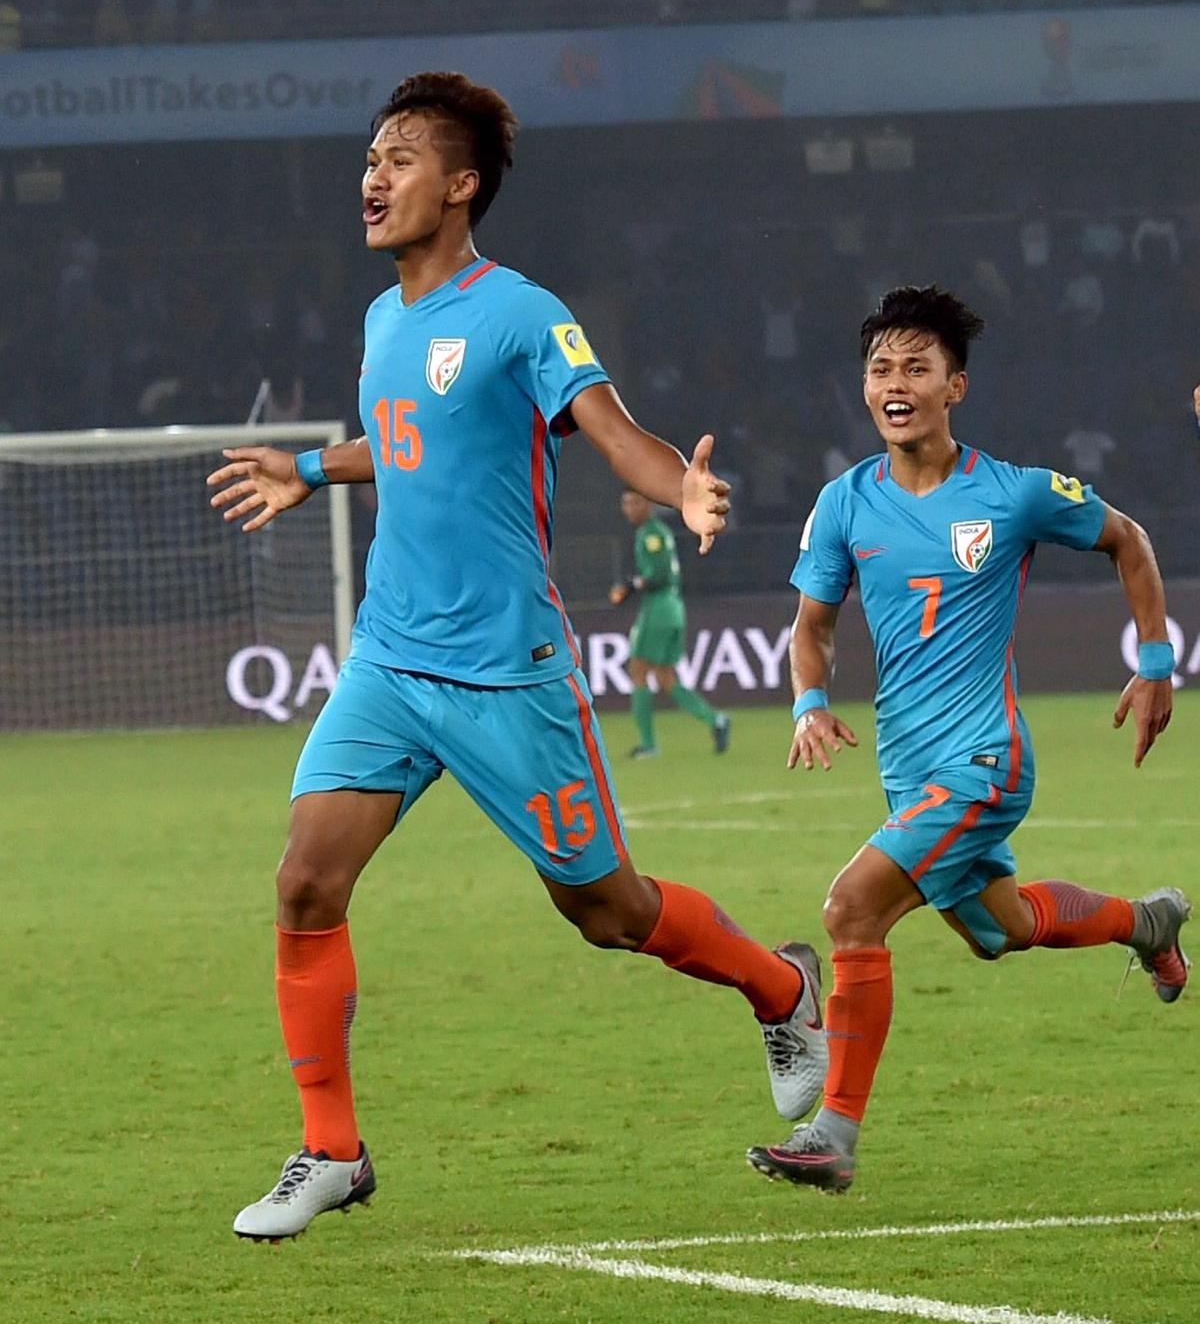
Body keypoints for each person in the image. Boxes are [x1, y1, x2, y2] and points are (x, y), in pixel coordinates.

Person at [207, 72, 826, 1241]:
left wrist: (680, 485)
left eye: (400, 158)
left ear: (462, 183)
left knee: (606, 910)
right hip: (391, 660)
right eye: (370, 158)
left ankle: (783, 989)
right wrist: (308, 468)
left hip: (505, 671)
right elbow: (406, 442)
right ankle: (330, 1148)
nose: (373, 177)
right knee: (303, 882)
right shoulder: (385, 319)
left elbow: (610, 430)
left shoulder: (521, 312)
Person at [746, 285, 1190, 1195]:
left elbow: (1130, 540)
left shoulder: (1017, 493)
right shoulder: (843, 503)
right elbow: (813, 625)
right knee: (1005, 927)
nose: (895, 383)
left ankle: (832, 1133)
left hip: (987, 761)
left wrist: (1154, 661)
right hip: (911, 775)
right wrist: (808, 701)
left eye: (916, 367)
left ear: (957, 386)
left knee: (850, 910)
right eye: (880, 368)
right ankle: (1150, 923)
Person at [609, 489, 730, 758]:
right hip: (674, 607)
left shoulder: (651, 533)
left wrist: (630, 585)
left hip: (659, 608)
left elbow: (658, 573)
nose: (629, 508)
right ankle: (716, 720)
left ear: (649, 504)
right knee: (665, 678)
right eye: (625, 503)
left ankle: (649, 745)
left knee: (638, 670)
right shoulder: (657, 532)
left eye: (634, 502)